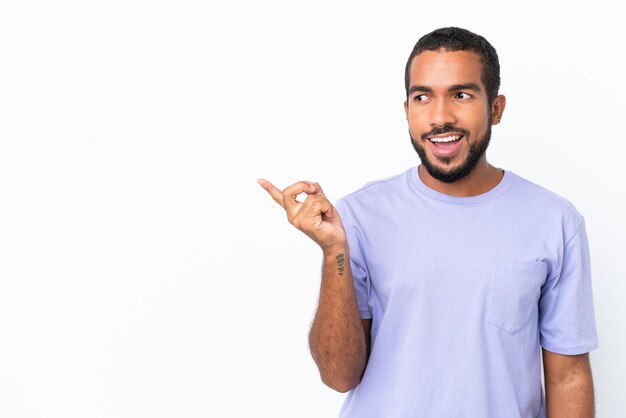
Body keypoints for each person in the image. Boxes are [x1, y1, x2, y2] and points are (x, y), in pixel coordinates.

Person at [258, 27, 598, 418]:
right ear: (407, 110)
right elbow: (339, 376)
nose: (440, 117)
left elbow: (568, 377)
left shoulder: (554, 221)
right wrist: (334, 250)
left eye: (461, 94)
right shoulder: (358, 216)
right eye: (422, 97)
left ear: (496, 108)